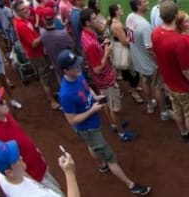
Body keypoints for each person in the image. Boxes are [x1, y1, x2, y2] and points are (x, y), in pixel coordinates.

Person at [57, 50, 151, 195]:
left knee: (92, 146)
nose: (78, 68)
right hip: (87, 128)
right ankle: (131, 185)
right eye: (74, 66)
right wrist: (92, 110)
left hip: (93, 124)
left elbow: (86, 88)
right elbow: (72, 120)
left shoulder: (78, 74)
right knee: (111, 157)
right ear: (65, 70)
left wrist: (94, 97)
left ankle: (101, 165)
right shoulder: (65, 94)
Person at [151, 0, 189, 149]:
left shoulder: (156, 33)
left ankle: (184, 133)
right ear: (176, 15)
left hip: (169, 82)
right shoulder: (179, 41)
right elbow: (186, 70)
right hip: (183, 86)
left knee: (177, 109)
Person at [0, 87, 62, 193]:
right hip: (33, 173)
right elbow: (11, 162)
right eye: (1, 102)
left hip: (37, 162)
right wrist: (31, 180)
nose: (5, 102)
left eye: (3, 99)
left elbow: (21, 135)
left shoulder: (6, 114)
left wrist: (35, 150)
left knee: (57, 188)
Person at [80, 8, 137, 141]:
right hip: (106, 79)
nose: (97, 20)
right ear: (87, 23)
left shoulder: (87, 34)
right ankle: (122, 133)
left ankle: (113, 123)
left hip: (101, 80)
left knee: (106, 102)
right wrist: (106, 52)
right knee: (115, 108)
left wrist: (102, 46)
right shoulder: (91, 44)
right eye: (94, 19)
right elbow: (97, 69)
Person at [126, 0, 169, 120]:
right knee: (158, 87)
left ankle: (150, 104)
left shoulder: (130, 17)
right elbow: (150, 48)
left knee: (145, 80)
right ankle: (164, 113)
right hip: (150, 63)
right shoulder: (145, 26)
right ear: (139, 6)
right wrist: (159, 61)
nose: (147, 2)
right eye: (144, 2)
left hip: (138, 59)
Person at [0, 139, 80, 197]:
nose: (21, 157)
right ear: (9, 172)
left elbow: (23, 175)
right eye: (16, 159)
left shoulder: (3, 176)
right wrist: (69, 173)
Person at [12, 0, 58, 110]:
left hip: (38, 52)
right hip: (36, 54)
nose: (26, 10)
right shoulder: (21, 25)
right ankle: (51, 101)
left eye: (26, 8)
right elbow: (33, 43)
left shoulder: (23, 20)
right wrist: (45, 33)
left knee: (47, 73)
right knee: (44, 77)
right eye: (23, 10)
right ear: (17, 12)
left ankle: (53, 94)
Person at [108, 3, 143, 104]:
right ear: (116, 12)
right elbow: (124, 41)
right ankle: (134, 91)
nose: (122, 9)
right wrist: (134, 36)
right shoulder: (117, 25)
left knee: (127, 72)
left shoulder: (115, 22)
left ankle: (133, 88)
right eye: (120, 8)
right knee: (134, 72)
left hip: (122, 50)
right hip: (125, 51)